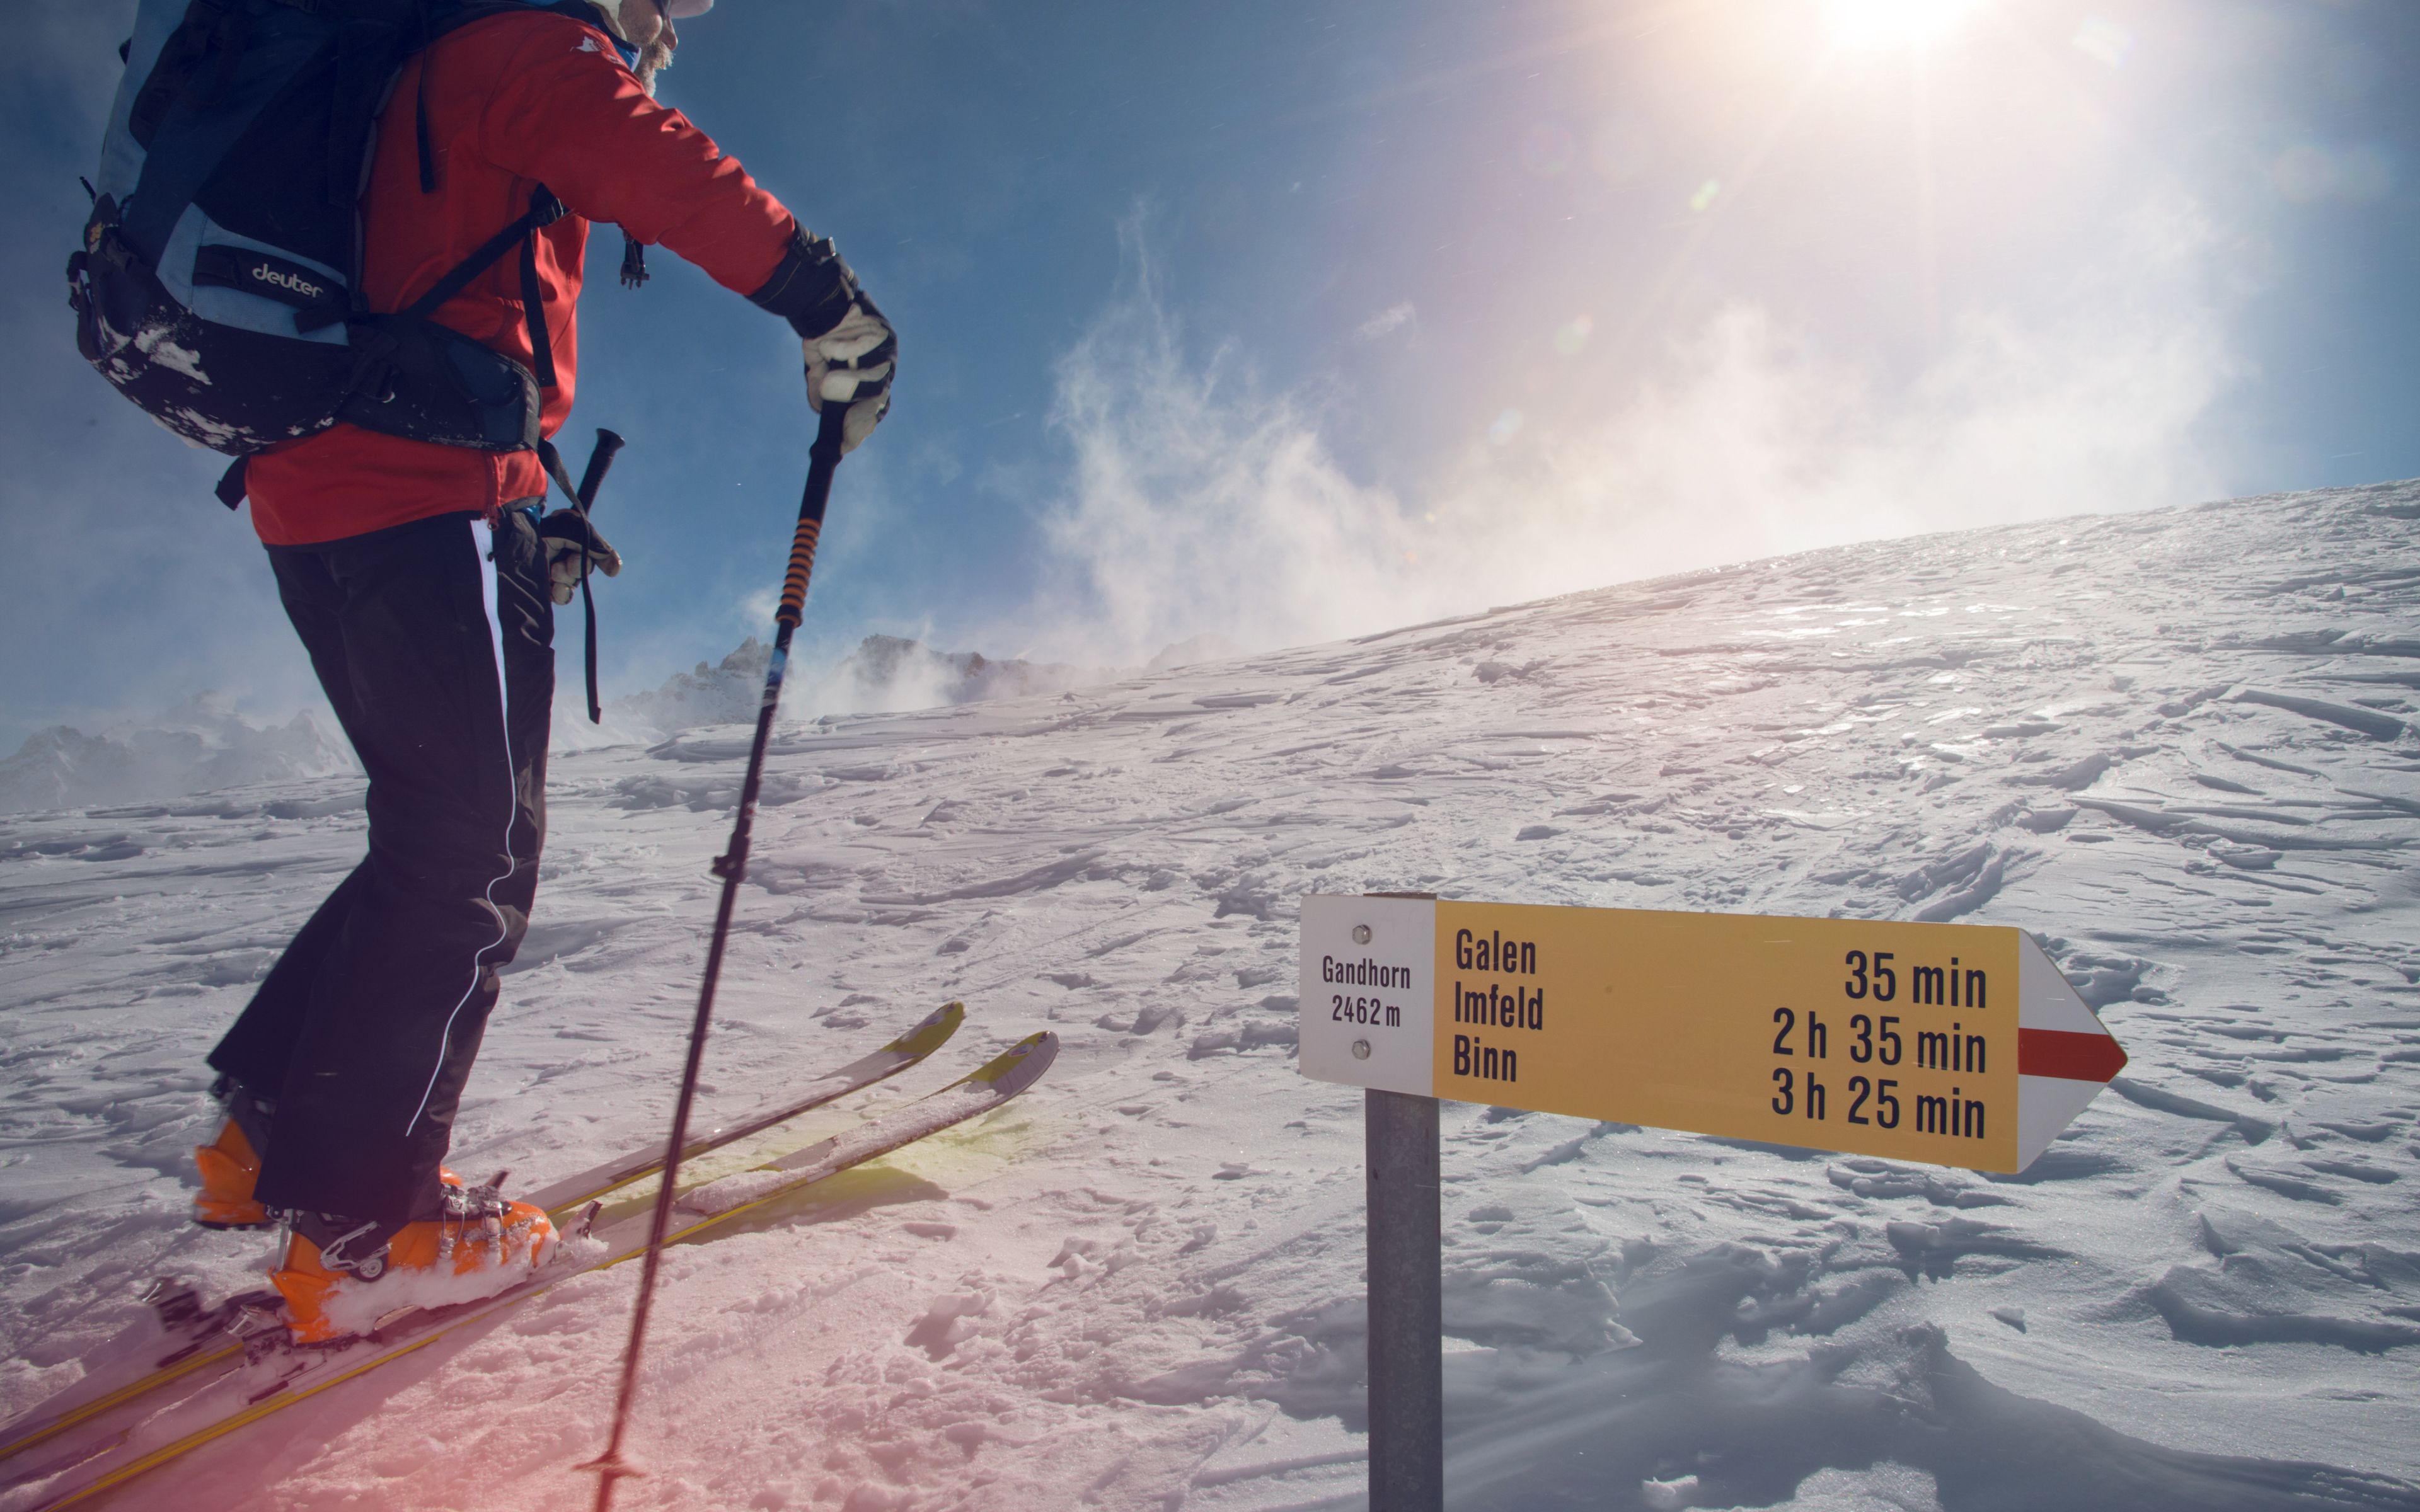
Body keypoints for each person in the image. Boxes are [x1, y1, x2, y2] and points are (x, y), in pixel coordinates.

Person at [186, 0, 896, 1345]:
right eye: (666, 6)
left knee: (430, 831)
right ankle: (365, 1231)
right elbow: (656, 162)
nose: (667, 26)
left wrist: (520, 514)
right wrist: (827, 298)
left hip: (329, 490)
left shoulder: (405, 59)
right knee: (476, 854)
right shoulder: (522, 37)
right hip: (414, 492)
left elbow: (435, 287)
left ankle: (269, 1132)